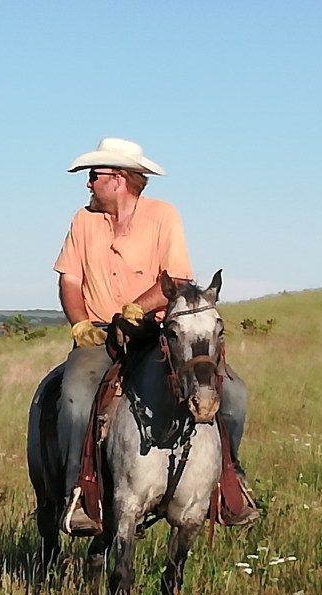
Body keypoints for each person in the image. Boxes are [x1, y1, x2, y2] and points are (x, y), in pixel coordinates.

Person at [52, 137, 259, 535]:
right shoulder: (82, 221)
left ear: (118, 180)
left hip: (158, 331)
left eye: (94, 176)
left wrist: (136, 308)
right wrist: (80, 324)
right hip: (100, 336)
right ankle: (76, 494)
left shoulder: (163, 216)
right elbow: (70, 279)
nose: (88, 184)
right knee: (75, 395)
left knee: (233, 394)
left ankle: (228, 482)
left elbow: (178, 278)